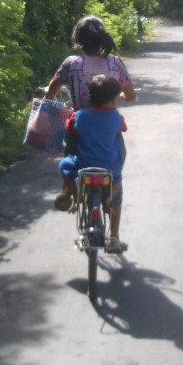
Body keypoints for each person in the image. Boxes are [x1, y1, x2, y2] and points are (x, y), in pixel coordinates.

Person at [46, 16, 135, 202]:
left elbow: (53, 88)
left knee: (69, 153)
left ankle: (69, 191)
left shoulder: (71, 63)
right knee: (116, 167)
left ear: (78, 41)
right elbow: (131, 95)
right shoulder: (115, 63)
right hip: (108, 126)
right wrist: (122, 96)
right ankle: (114, 215)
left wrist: (48, 95)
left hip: (80, 125)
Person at [59, 74, 129, 252]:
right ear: (113, 100)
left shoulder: (79, 115)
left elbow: (69, 129)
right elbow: (123, 128)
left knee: (64, 166)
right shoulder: (115, 117)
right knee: (118, 179)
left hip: (84, 164)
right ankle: (112, 229)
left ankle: (76, 196)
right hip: (109, 167)